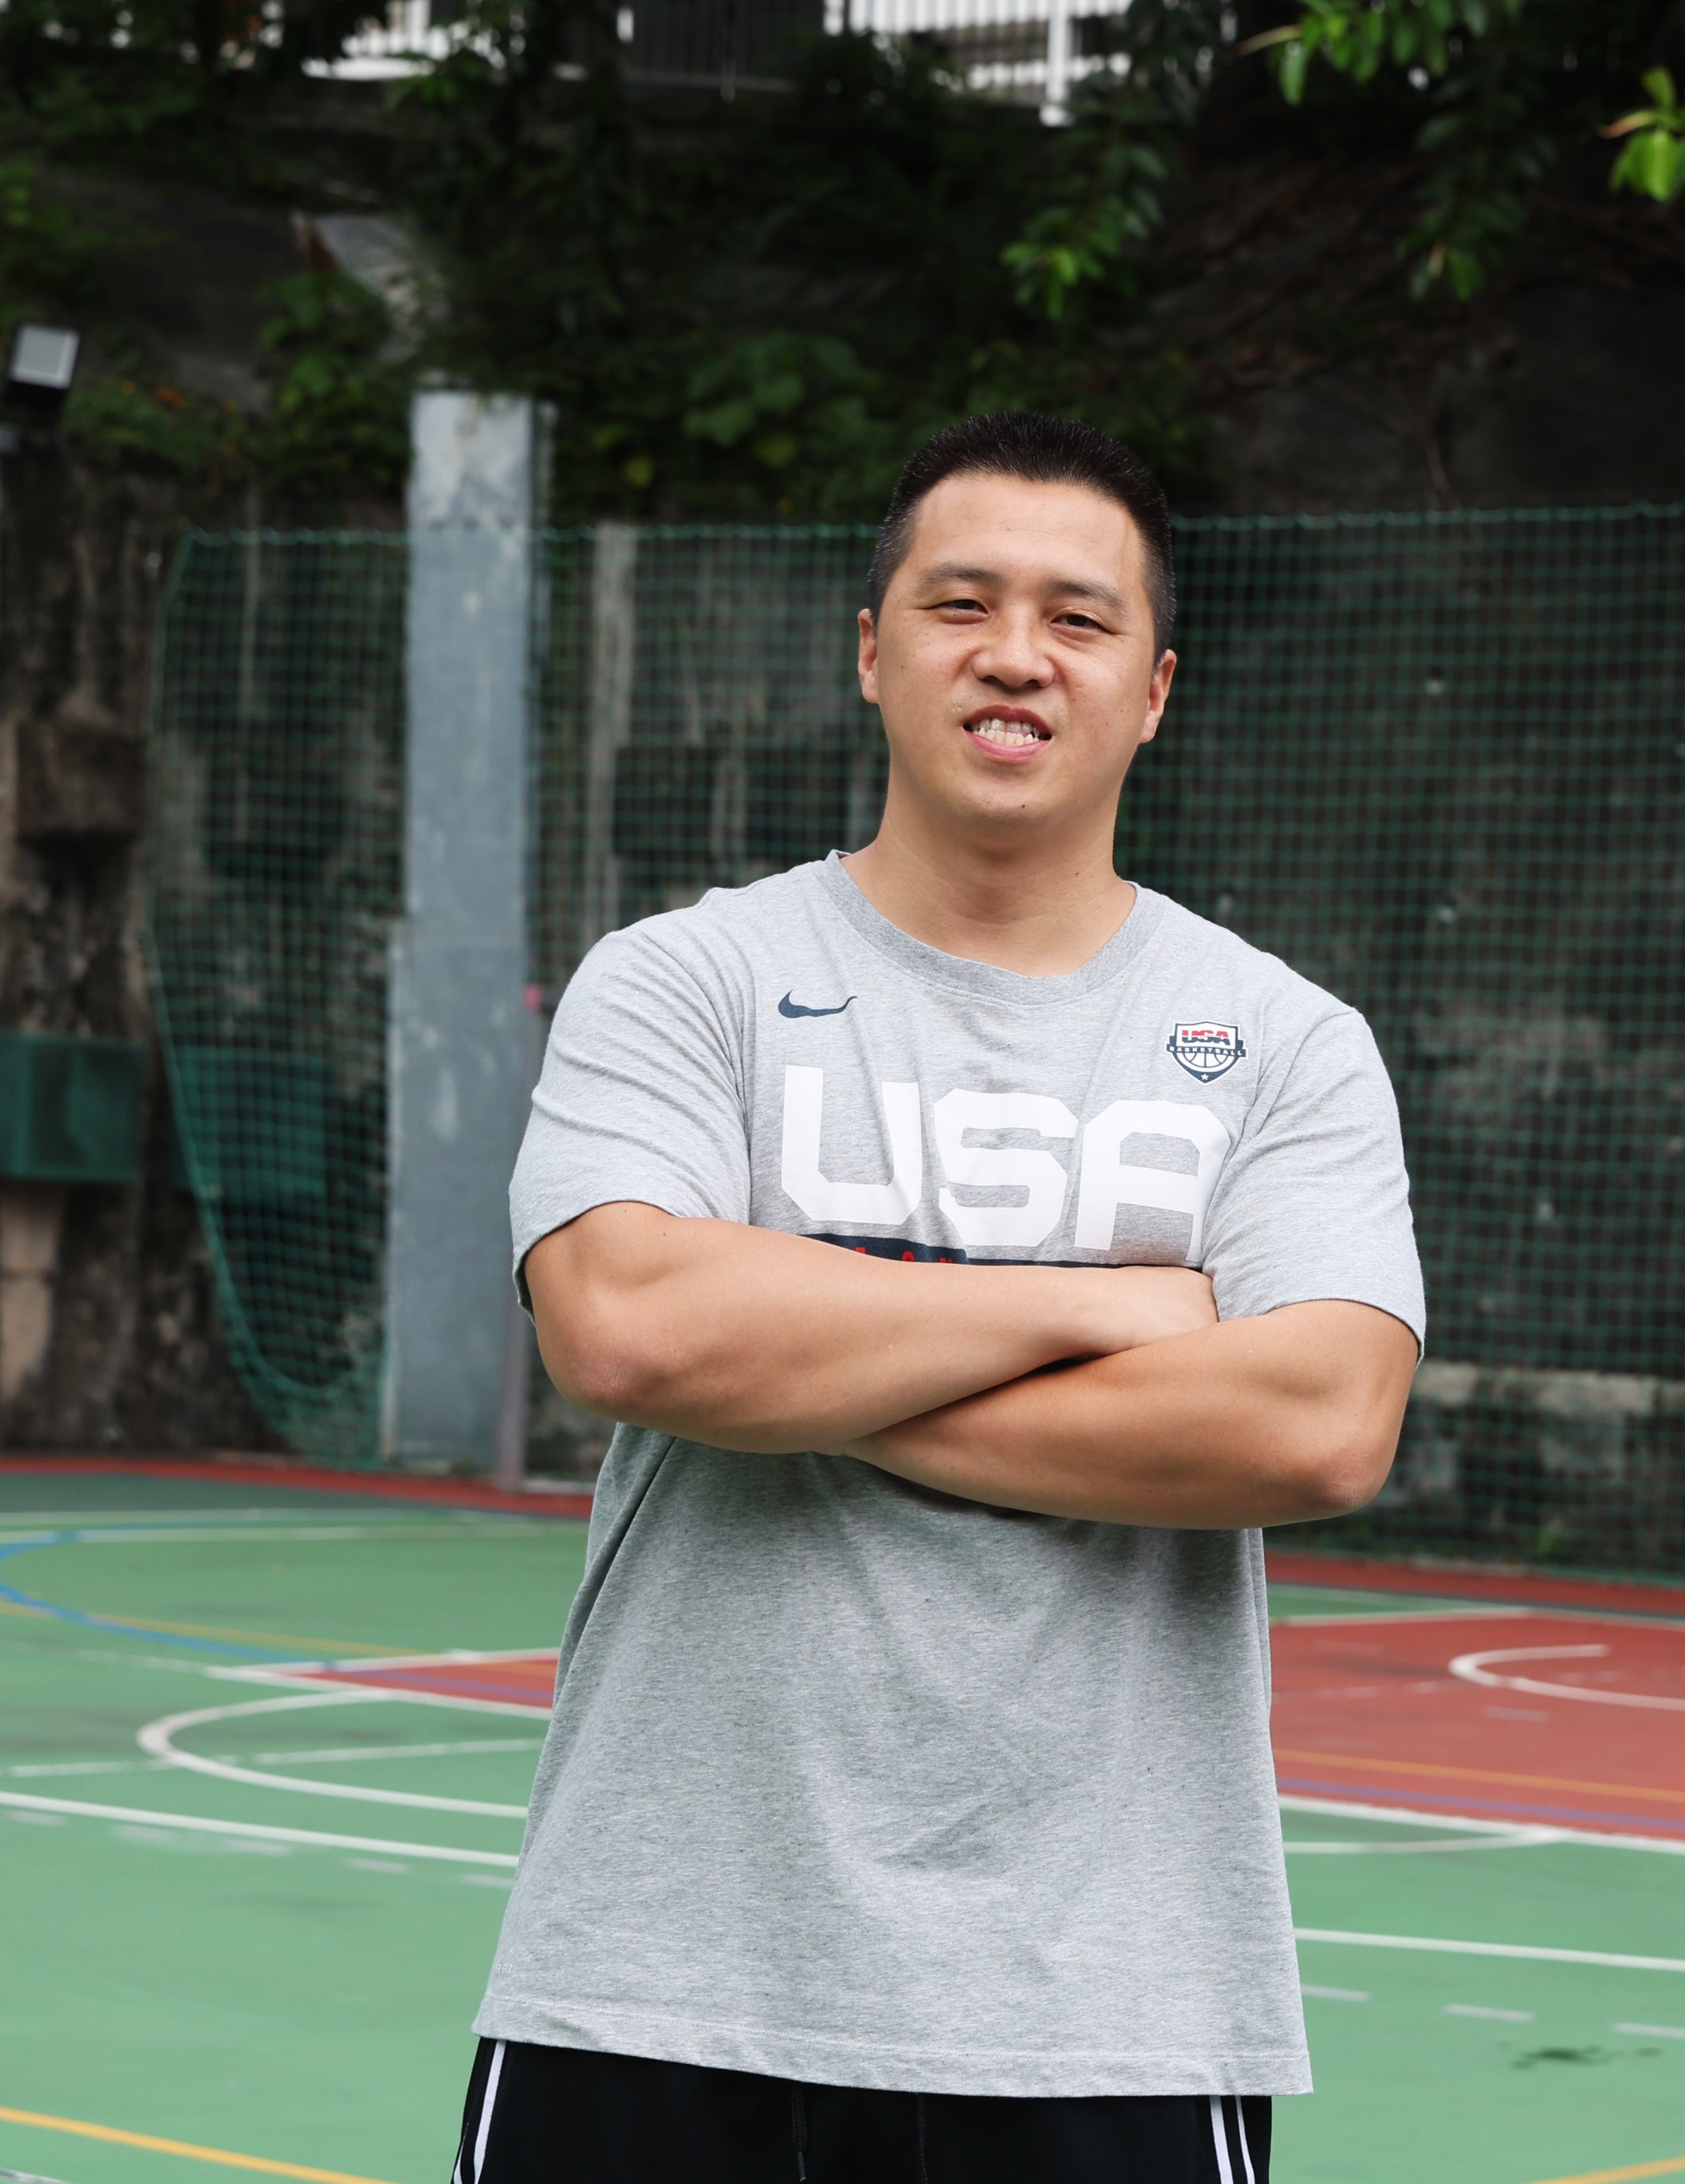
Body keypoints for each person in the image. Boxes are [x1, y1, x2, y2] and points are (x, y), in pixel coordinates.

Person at [453, 412, 1426, 2182]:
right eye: (960, 601)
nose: (1014, 654)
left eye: (1079, 617)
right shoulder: (687, 983)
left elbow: (1316, 1420)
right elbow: (629, 1330)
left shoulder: (1285, 1043)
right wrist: (1114, 1309)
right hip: (657, 1982)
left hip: (1111, 2013)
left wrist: (812, 1361)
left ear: (1152, 689)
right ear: (871, 650)